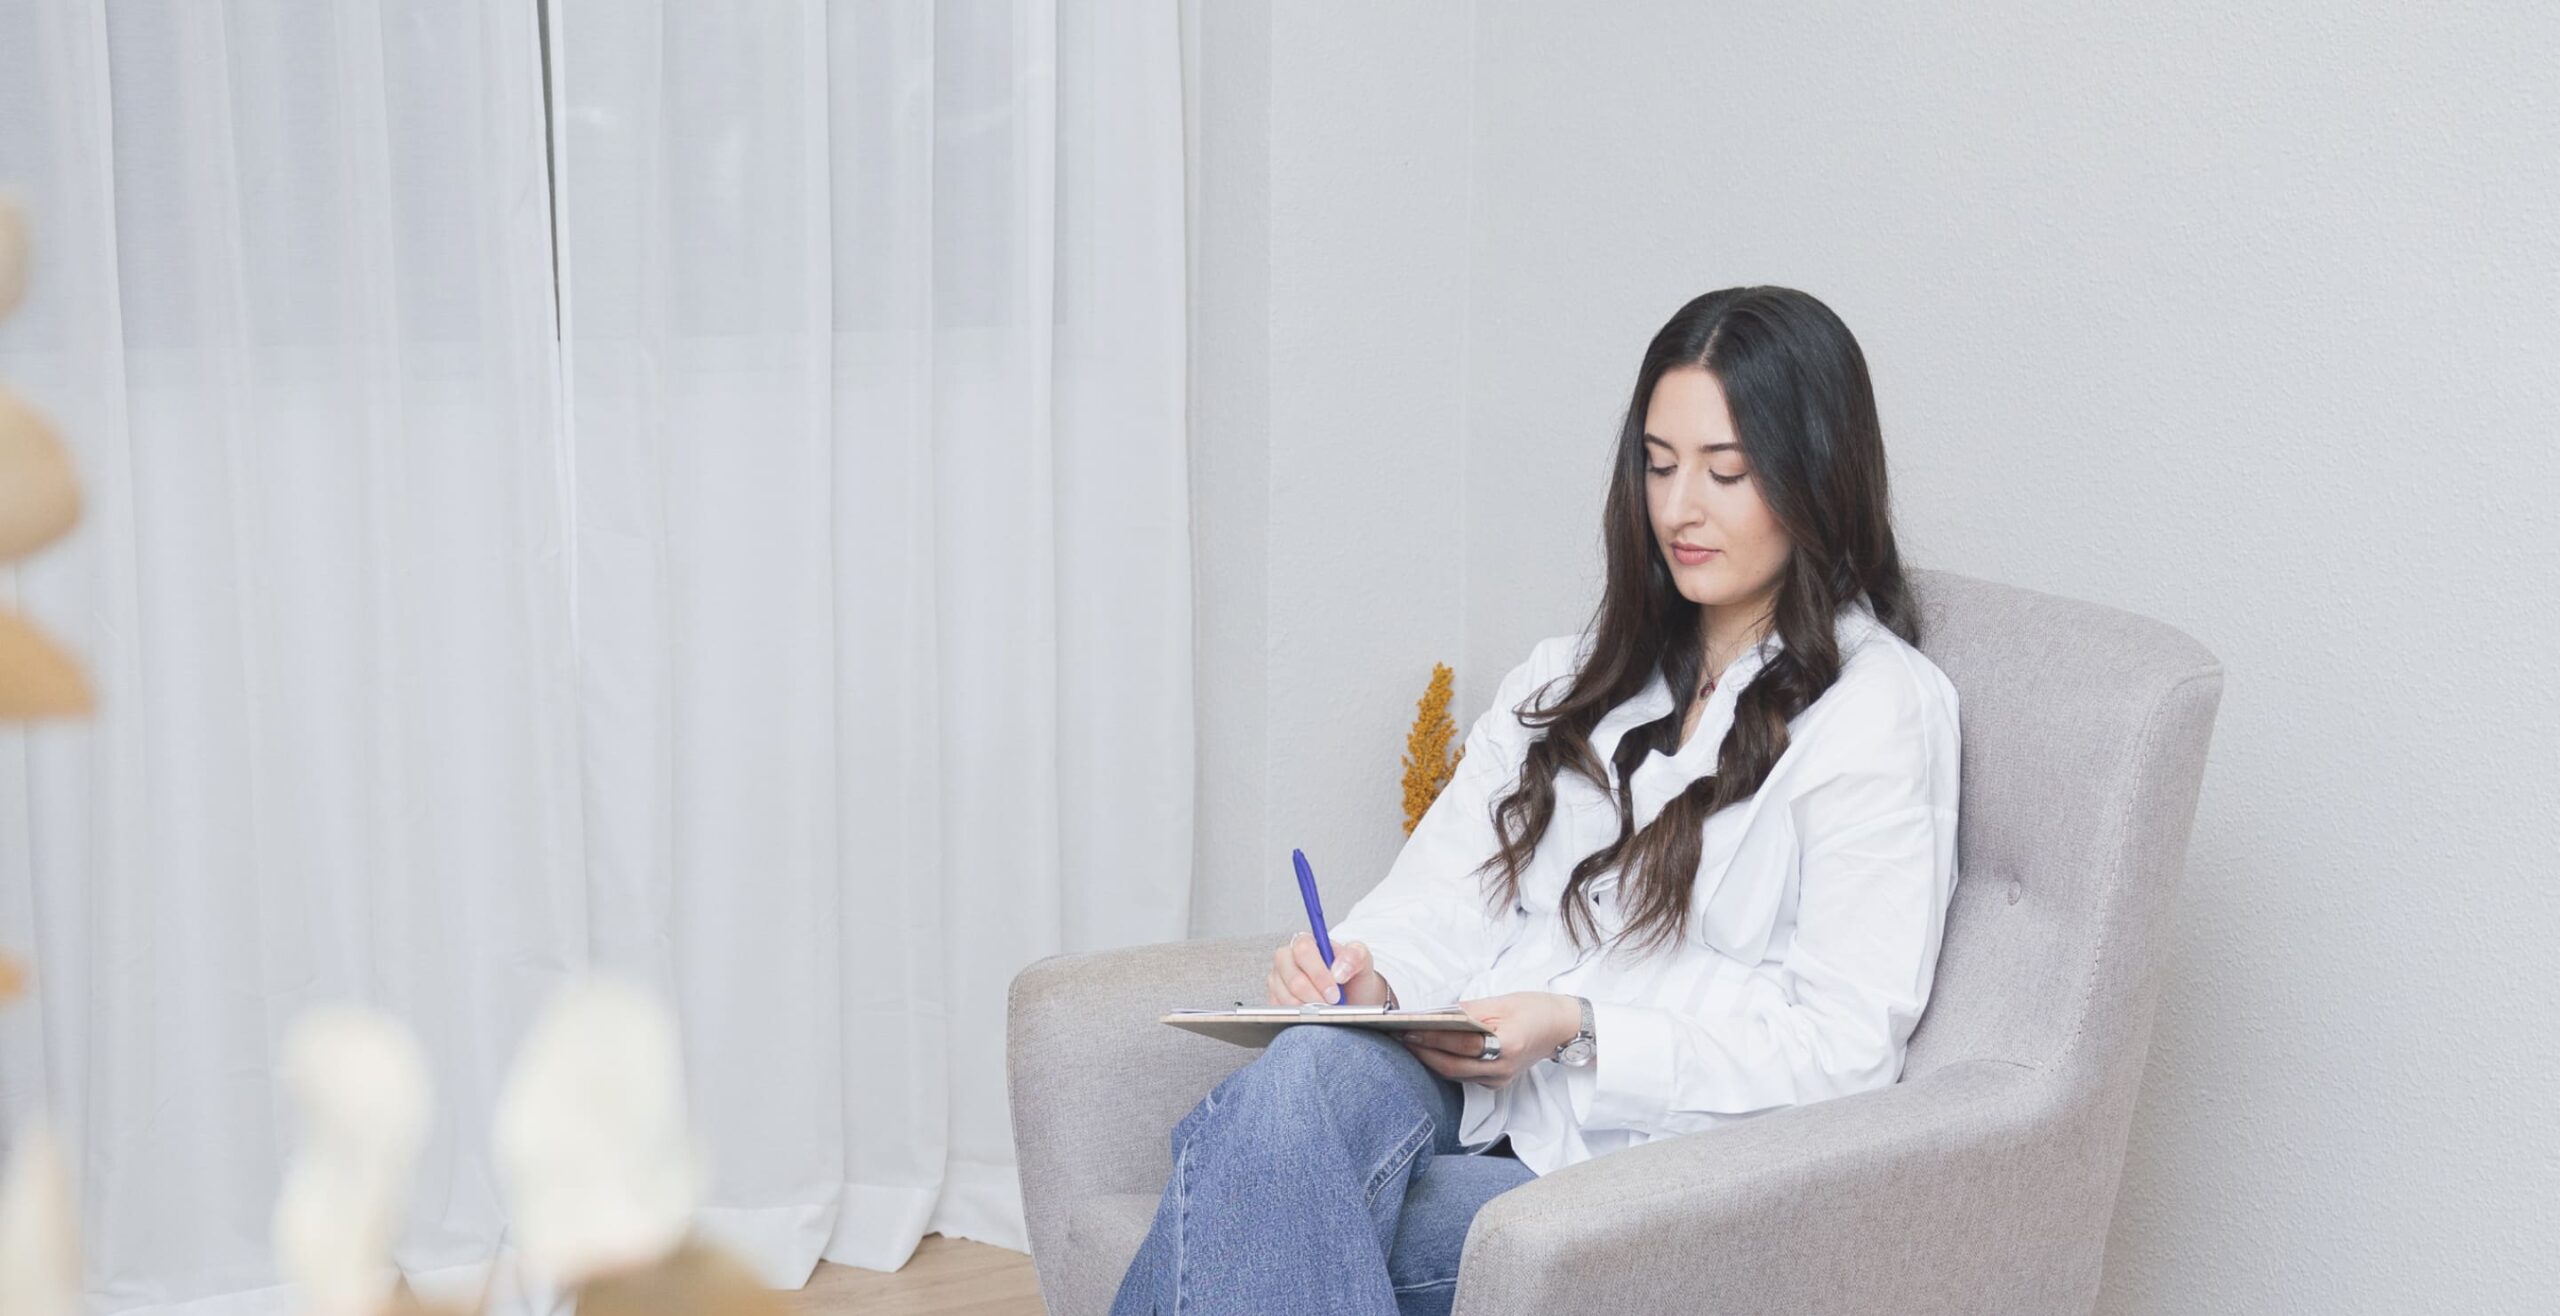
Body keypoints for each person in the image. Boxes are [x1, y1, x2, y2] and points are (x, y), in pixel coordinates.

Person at [1109, 286, 1963, 1316]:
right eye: (1659, 464)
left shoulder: (1877, 711)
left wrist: (1579, 1027)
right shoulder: (1571, 676)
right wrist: (1371, 974)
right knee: (1295, 1080)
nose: (1678, 509)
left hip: (1635, 1159)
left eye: (1726, 472)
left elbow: (1846, 1046)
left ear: (1816, 475)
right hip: (1467, 1088)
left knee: (1245, 1192)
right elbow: (1444, 893)